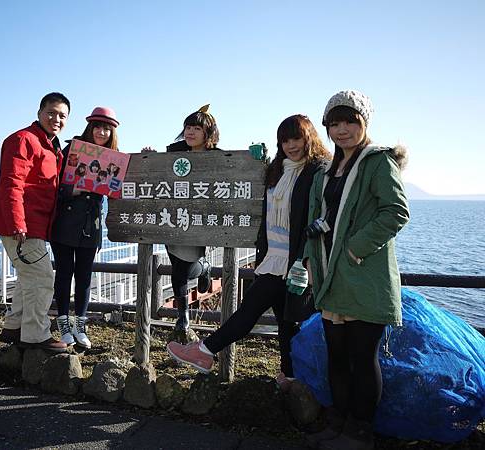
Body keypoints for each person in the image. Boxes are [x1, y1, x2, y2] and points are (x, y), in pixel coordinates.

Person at [166, 115, 331, 384]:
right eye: (285, 140)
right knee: (286, 323)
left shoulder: (317, 171)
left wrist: (306, 260)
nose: (291, 145)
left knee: (251, 311)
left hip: (297, 262)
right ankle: (290, 375)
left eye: (297, 138)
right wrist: (257, 160)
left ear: (309, 138)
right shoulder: (277, 169)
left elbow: (322, 214)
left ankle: (205, 351)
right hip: (272, 257)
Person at [304, 90, 409, 450]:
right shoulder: (326, 172)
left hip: (362, 275)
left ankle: (360, 433)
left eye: (350, 121)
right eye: (334, 123)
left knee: (362, 359)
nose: (342, 129)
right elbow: (313, 220)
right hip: (330, 275)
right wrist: (309, 259)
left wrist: (353, 248)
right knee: (336, 356)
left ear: (364, 123)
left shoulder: (378, 162)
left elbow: (396, 211)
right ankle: (339, 422)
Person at [0, 92, 70, 353]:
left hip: (35, 226)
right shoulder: (23, 140)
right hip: (22, 226)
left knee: (27, 278)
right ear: (39, 113)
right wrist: (17, 224)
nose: (56, 119)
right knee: (43, 278)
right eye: (51, 113)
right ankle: (36, 335)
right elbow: (11, 183)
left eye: (62, 116)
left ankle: (13, 328)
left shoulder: (50, 145)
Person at [143, 105, 217, 334]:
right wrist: (152, 158)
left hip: (200, 220)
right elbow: (160, 177)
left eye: (196, 128)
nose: (190, 132)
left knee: (185, 266)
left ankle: (203, 268)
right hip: (175, 217)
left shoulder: (218, 157)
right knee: (178, 265)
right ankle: (183, 315)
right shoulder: (174, 153)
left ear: (208, 133)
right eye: (187, 127)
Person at [50, 106, 119, 348]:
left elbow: (121, 188)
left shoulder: (114, 157)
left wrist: (145, 155)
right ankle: (63, 325)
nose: (101, 132)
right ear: (90, 127)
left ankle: (80, 326)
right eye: (97, 127)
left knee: (85, 276)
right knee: (64, 272)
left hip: (93, 223)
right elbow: (54, 183)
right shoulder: (73, 148)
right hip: (65, 221)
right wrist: (74, 190)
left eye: (106, 129)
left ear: (112, 132)